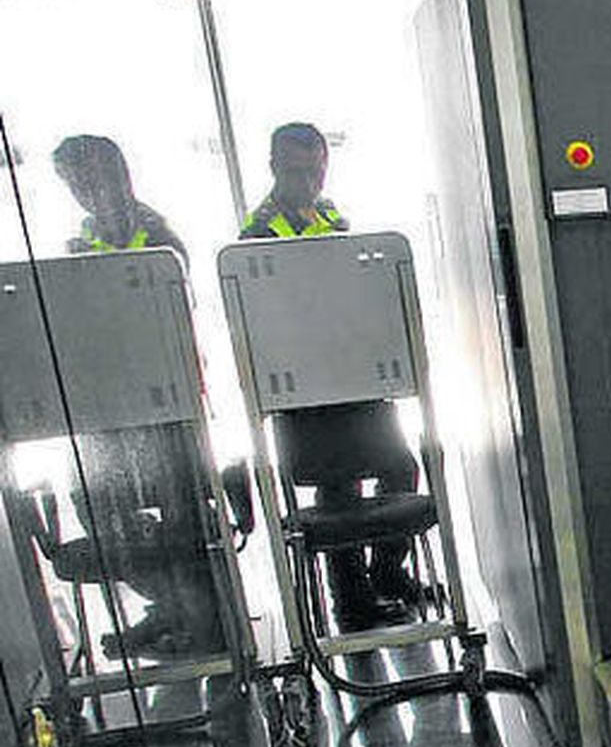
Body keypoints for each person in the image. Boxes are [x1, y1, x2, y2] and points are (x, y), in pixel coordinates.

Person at [240, 121, 419, 630]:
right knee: (337, 487)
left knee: (401, 470)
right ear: (275, 167)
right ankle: (352, 600)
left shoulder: (331, 216)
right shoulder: (259, 233)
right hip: (307, 393)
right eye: (298, 171)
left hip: (354, 377)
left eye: (317, 170)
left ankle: (386, 571)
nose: (310, 182)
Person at [50, 135, 219, 659]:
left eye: (94, 178)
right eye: (76, 183)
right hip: (111, 409)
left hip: (167, 405)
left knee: (182, 512)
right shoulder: (79, 245)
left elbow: (167, 319)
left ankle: (196, 618)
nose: (87, 191)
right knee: (92, 500)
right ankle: (167, 607)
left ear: (120, 175)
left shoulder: (156, 236)